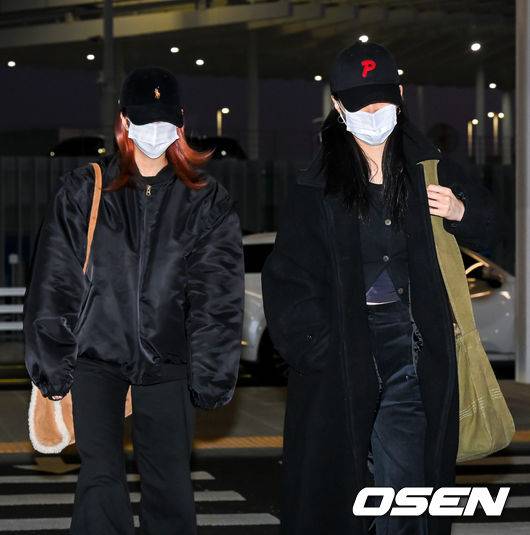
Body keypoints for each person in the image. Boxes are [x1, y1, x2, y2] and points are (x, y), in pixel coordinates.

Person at [261, 42, 498, 535]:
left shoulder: (431, 169)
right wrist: (318, 346)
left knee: (403, 484)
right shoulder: (315, 185)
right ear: (337, 106)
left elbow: (492, 228)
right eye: (360, 106)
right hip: (341, 347)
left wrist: (460, 211)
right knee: (336, 487)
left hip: (411, 346)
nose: (373, 116)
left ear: (401, 97)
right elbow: (288, 277)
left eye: (382, 103)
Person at [23, 66, 245, 535]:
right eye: (144, 119)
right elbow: (54, 278)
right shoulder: (85, 189)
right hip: (95, 358)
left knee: (169, 485)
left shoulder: (206, 200)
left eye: (164, 120)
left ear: (180, 122)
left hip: (169, 361)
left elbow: (217, 295)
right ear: (124, 121)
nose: (154, 130)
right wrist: (51, 362)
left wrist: (212, 371)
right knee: (100, 480)